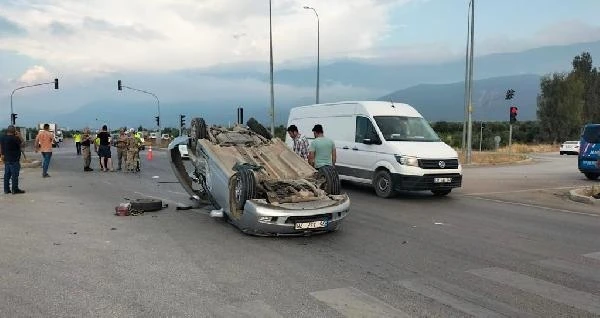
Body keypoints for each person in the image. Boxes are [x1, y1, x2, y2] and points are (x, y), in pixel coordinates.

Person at [0, 125, 25, 194]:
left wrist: (2, 155)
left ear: (7, 130)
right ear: (14, 131)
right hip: (14, 160)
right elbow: (23, 144)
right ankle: (15, 189)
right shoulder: (15, 138)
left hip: (6, 159)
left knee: (7, 175)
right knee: (15, 175)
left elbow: (1, 147)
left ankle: (6, 189)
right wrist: (20, 136)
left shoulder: (3, 138)